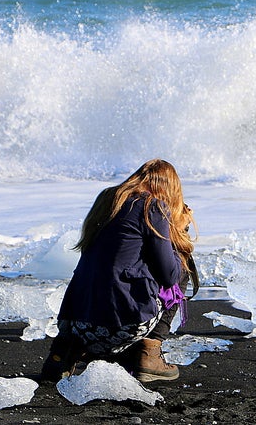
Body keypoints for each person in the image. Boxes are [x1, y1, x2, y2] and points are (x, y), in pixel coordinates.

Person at [41, 159, 199, 383]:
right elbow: (169, 275)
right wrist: (180, 230)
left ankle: (62, 353)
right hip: (122, 326)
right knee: (182, 262)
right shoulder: (152, 206)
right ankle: (149, 354)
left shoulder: (107, 199)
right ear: (169, 189)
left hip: (76, 325)